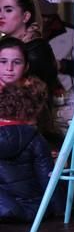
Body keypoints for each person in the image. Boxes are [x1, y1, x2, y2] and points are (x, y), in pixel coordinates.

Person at [0, 79, 64, 222]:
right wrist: (60, 210)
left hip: (6, 207)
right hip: (33, 209)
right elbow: (48, 179)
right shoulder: (35, 139)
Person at [0, 0, 59, 96]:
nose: (1, 16)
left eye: (8, 10)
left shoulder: (35, 50)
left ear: (26, 16)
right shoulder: (7, 44)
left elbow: (38, 95)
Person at [37, 0, 74, 92]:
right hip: (34, 90)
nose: (45, 20)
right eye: (42, 16)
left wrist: (62, 65)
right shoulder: (27, 31)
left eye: (49, 17)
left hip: (64, 90)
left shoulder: (71, 32)